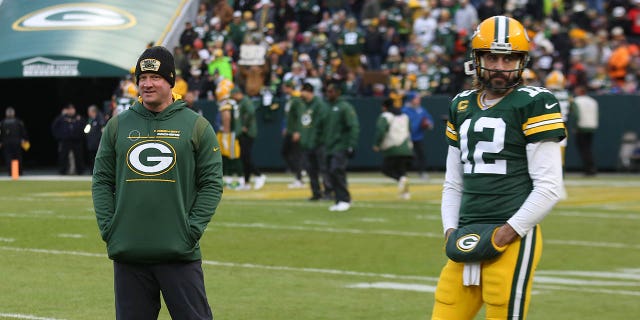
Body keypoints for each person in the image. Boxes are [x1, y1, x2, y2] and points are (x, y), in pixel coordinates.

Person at [433, 16, 566, 320]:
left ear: (522, 61)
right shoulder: (462, 104)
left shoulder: (535, 102)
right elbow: (453, 182)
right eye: (492, 57)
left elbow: (548, 187)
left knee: (501, 307)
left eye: (509, 59)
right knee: (445, 310)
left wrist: (505, 234)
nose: (500, 67)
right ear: (477, 59)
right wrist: (450, 232)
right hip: (467, 230)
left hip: (512, 234)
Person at [92, 46, 222, 320]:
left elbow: (211, 184)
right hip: (129, 254)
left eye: (155, 77)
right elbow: (102, 181)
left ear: (170, 81)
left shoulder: (197, 126)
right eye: (142, 78)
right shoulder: (117, 126)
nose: (147, 84)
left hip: (178, 252)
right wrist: (109, 227)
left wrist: (192, 229)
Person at [323, 81, 360, 212]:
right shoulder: (327, 107)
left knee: (337, 171)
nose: (328, 94)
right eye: (327, 91)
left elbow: (353, 126)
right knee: (331, 173)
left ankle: (345, 199)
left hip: (341, 145)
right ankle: (339, 199)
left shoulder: (345, 107)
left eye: (331, 91)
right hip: (330, 146)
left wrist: (351, 144)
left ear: (338, 92)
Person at [372, 98, 413, 200]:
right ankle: (405, 194)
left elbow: (381, 130)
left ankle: (400, 180)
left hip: (392, 147)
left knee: (386, 169)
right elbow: (410, 129)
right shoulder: (405, 116)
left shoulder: (385, 116)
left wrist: (376, 144)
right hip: (406, 148)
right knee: (402, 171)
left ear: (384, 107)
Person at [299, 82, 331, 201]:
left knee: (323, 169)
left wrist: (319, 139)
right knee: (311, 170)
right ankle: (316, 192)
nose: (301, 94)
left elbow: (323, 124)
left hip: (319, 143)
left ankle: (328, 191)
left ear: (309, 92)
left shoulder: (319, 105)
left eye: (303, 91)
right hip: (307, 143)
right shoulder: (304, 105)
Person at [232, 87, 266, 190]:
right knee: (244, 158)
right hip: (241, 133)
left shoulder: (245, 101)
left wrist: (245, 126)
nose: (233, 98)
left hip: (247, 133)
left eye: (234, 95)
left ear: (238, 93)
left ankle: (259, 175)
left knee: (245, 156)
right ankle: (246, 182)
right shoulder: (240, 102)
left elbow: (251, 112)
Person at [216, 78, 245, 190]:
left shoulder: (226, 103)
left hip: (229, 134)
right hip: (230, 133)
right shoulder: (232, 102)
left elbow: (226, 117)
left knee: (232, 156)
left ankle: (240, 180)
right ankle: (228, 178)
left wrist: (225, 134)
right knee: (226, 156)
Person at [401, 91, 434, 179]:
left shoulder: (421, 109)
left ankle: (422, 172)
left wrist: (428, 124)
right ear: (411, 99)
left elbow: (429, 119)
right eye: (416, 98)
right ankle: (403, 173)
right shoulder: (405, 110)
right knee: (405, 156)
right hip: (407, 137)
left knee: (421, 155)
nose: (418, 100)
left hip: (418, 137)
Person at [281, 80, 305, 188]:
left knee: (296, 155)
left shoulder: (296, 100)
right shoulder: (290, 100)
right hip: (290, 130)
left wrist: (298, 131)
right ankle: (299, 171)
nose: (283, 89)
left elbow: (300, 116)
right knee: (285, 152)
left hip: (294, 131)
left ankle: (299, 177)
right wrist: (286, 127)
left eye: (285, 87)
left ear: (290, 88)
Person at [571, 85, 599, 175]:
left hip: (581, 127)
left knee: (584, 149)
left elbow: (576, 115)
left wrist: (575, 126)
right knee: (588, 149)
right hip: (592, 126)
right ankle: (591, 168)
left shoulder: (576, 101)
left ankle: (589, 169)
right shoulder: (593, 101)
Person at [51, 103, 85, 175]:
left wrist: (81, 135)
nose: (71, 111)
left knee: (78, 156)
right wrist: (59, 137)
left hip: (77, 140)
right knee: (63, 156)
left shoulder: (78, 118)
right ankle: (62, 171)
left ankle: (80, 171)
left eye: (72, 109)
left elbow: (84, 127)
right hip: (65, 140)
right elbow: (54, 127)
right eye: (69, 109)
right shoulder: (61, 118)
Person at [0, 107, 29, 176]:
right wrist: (24, 140)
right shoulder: (18, 122)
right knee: (18, 157)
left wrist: (1, 141)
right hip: (17, 142)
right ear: (13, 113)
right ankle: (19, 172)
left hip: (6, 143)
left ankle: (11, 173)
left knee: (8, 158)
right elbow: (24, 132)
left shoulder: (2, 123)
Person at [84, 105, 105, 173]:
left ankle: (99, 171)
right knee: (91, 157)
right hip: (91, 143)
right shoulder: (90, 120)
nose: (88, 113)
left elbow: (103, 130)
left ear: (93, 111)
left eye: (89, 111)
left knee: (98, 158)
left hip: (98, 143)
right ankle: (92, 171)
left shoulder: (100, 119)